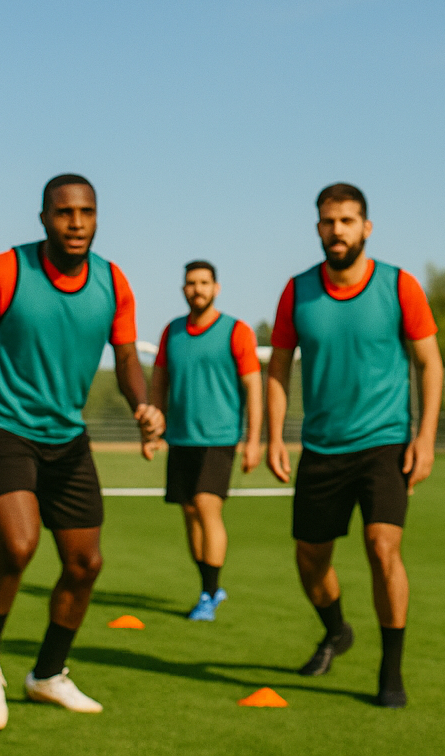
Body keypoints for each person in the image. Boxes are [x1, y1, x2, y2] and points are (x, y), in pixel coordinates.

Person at [0, 174, 163, 728]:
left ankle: (48, 675)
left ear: (98, 217)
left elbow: (127, 357)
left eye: (86, 212)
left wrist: (143, 405)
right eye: (64, 213)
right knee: (17, 544)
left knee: (85, 563)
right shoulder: (4, 271)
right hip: (0, 425)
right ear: (43, 218)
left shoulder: (112, 281)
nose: (76, 223)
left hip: (66, 435)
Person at [265, 183, 443, 709]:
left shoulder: (398, 286)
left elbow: (429, 363)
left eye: (346, 221)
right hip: (321, 448)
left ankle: (391, 673)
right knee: (310, 559)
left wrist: (425, 438)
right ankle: (337, 630)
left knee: (382, 547)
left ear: (365, 228)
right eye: (328, 221)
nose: (336, 230)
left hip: (384, 444)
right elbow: (277, 368)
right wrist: (273, 436)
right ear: (318, 228)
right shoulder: (297, 292)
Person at [145, 260, 263, 621]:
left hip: (219, 438)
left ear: (216, 287)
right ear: (183, 289)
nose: (197, 289)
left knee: (206, 506)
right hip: (181, 439)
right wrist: (153, 431)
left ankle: (210, 592)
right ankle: (208, 586)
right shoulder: (172, 332)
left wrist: (254, 439)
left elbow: (253, 387)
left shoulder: (235, 331)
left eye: (204, 283)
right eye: (191, 283)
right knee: (190, 513)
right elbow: (160, 382)